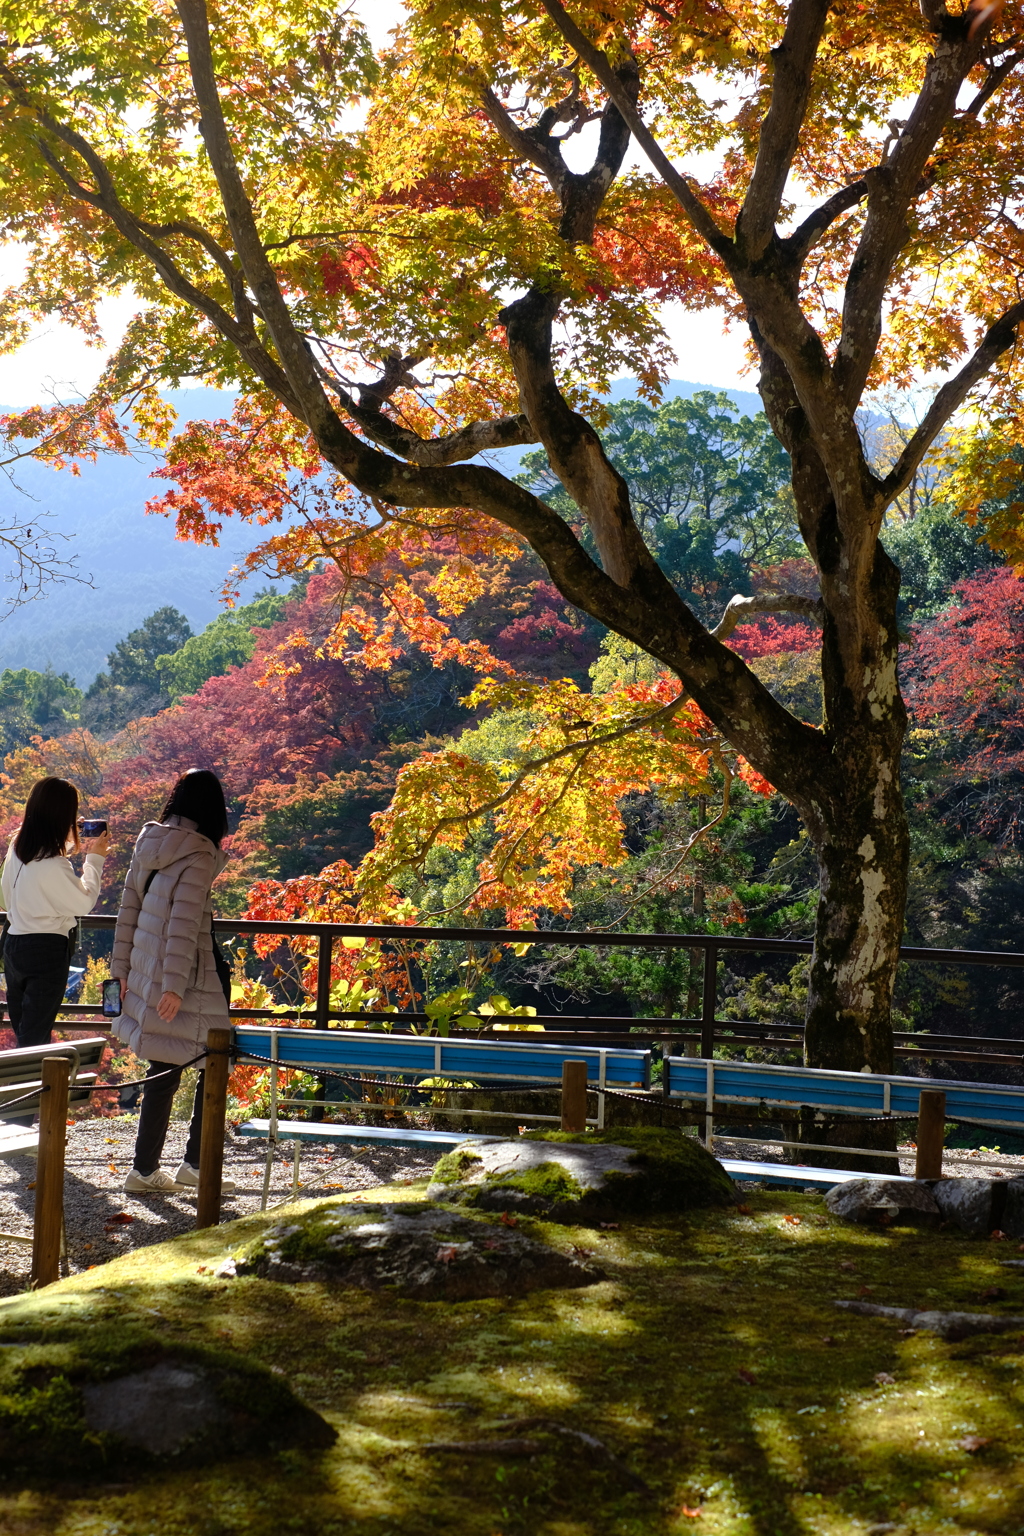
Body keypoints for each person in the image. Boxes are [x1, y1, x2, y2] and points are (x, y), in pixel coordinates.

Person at [111, 768, 236, 1195]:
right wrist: (175, 988)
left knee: (164, 1066)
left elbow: (127, 913)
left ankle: (145, 1171)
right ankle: (197, 1166)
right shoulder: (198, 853)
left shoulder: (150, 842)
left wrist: (120, 972)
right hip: (190, 977)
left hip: (150, 971)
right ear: (213, 810)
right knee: (215, 1062)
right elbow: (183, 925)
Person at [1, 776, 108, 1048]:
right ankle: (30, 1088)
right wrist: (94, 859)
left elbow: (8, 897)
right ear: (64, 815)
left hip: (13, 943)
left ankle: (20, 1085)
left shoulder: (18, 847)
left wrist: (69, 837)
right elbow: (83, 902)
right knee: (34, 1039)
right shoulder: (53, 864)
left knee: (25, 1030)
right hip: (45, 949)